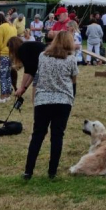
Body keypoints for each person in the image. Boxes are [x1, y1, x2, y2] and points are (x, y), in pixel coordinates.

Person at [16, 31, 78, 180]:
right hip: (63, 101)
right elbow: (73, 81)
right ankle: (52, 172)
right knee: (57, 136)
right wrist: (71, 98)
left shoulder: (42, 56)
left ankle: (28, 171)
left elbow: (38, 75)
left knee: (37, 135)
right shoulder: (71, 59)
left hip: (43, 100)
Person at [7, 36, 47, 102]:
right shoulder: (27, 47)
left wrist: (21, 87)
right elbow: (32, 72)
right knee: (36, 99)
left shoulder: (22, 49)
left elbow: (27, 70)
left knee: (35, 99)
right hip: (46, 67)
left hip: (45, 67)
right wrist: (24, 88)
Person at [0, 12, 18, 103]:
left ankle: (3, 96)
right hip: (12, 53)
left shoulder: (1, 27)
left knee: (3, 75)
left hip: (4, 54)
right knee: (8, 75)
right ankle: (8, 94)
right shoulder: (13, 27)